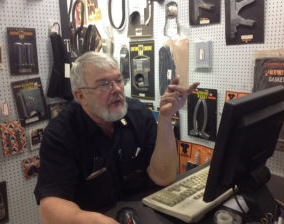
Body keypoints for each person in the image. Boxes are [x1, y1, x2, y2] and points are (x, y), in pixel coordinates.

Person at [34, 52, 200, 224]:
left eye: (119, 80)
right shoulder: (61, 133)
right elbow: (49, 209)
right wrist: (98, 221)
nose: (117, 89)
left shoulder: (139, 113)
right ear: (80, 96)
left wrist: (166, 119)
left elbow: (163, 177)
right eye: (104, 84)